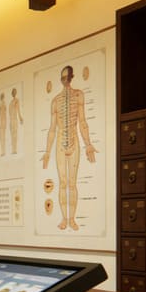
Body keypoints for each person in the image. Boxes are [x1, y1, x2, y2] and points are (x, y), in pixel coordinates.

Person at [40, 65, 97, 231]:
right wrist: (47, 152)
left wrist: (88, 144)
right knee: (63, 183)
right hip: (59, 144)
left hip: (74, 141)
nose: (65, 81)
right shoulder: (55, 101)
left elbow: (83, 122)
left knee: (72, 184)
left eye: (67, 77)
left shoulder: (79, 95)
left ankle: (72, 219)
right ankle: (64, 219)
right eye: (62, 78)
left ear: (72, 77)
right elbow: (52, 129)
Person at [7, 86, 23, 155]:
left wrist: (20, 118)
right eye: (12, 92)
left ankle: (15, 150)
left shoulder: (17, 100)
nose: (13, 93)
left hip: (15, 120)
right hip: (11, 121)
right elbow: (9, 112)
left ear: (15, 93)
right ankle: (13, 150)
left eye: (14, 92)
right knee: (12, 135)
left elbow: (18, 109)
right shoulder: (10, 102)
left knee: (15, 135)